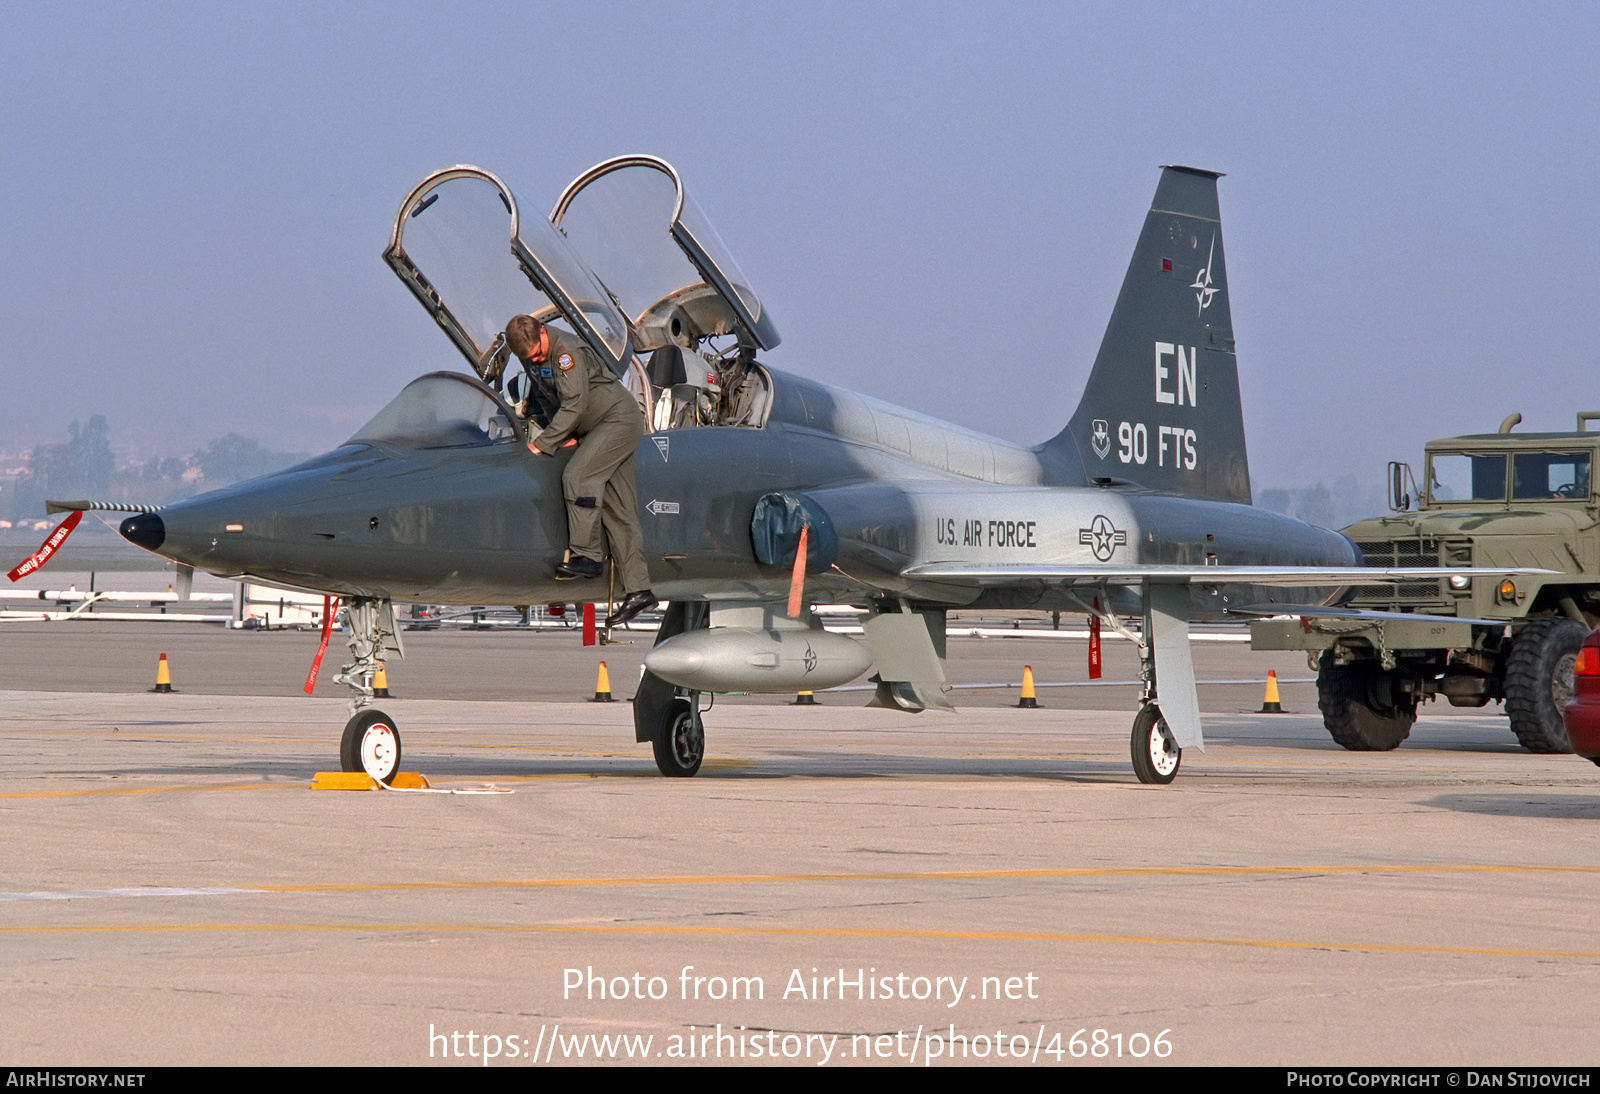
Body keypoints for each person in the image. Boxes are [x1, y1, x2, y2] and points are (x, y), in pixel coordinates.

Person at [504, 315, 657, 625]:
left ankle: (587, 556)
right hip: (594, 428)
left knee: (579, 476)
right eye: (528, 358)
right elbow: (548, 398)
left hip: (616, 421)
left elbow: (573, 402)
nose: (534, 360)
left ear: (543, 334)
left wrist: (546, 442)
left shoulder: (566, 351)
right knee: (618, 510)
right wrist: (560, 431)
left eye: (536, 354)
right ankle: (640, 592)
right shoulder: (530, 355)